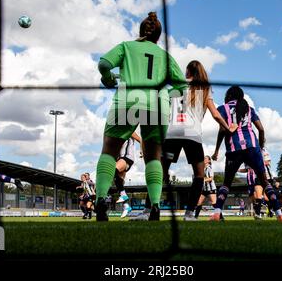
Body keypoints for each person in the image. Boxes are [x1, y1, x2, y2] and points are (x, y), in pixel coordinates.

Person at [94, 11, 187, 221]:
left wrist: (108, 79)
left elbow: (104, 65)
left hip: (128, 98)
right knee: (154, 156)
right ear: (158, 36)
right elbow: (182, 87)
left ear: (141, 31)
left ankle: (100, 200)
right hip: (157, 104)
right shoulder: (165, 56)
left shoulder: (126, 46)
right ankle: (154, 206)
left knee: (109, 150)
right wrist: (166, 94)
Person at [131, 60, 236, 221]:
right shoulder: (205, 89)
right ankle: (189, 214)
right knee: (199, 175)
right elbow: (215, 114)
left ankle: (148, 211)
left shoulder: (175, 86)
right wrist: (228, 128)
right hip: (192, 135)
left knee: (159, 172)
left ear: (187, 72)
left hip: (172, 133)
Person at [211, 86, 282, 222]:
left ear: (228, 95)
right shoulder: (249, 109)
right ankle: (280, 214)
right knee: (265, 182)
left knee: (226, 183)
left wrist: (216, 151)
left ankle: (216, 213)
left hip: (234, 149)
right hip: (253, 148)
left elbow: (222, 130)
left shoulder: (224, 108)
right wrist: (261, 146)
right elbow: (261, 129)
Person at [114, 132, 142, 218]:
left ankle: (124, 197)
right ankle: (126, 206)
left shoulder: (129, 129)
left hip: (127, 157)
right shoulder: (117, 131)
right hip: (121, 158)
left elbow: (140, 140)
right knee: (118, 181)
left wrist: (142, 150)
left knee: (112, 170)